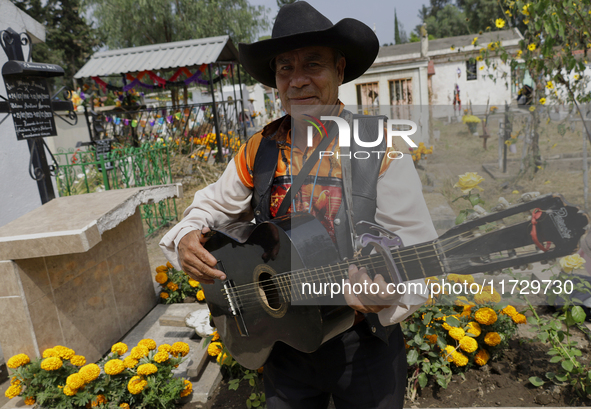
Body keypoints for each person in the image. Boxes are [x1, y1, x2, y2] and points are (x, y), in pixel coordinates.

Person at [160, 2, 437, 408]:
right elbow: (209, 208)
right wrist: (186, 236)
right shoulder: (260, 148)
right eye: (285, 68)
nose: (298, 81)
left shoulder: (380, 147)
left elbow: (417, 252)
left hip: (361, 349)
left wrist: (389, 291)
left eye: (313, 64)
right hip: (282, 343)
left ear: (340, 70)